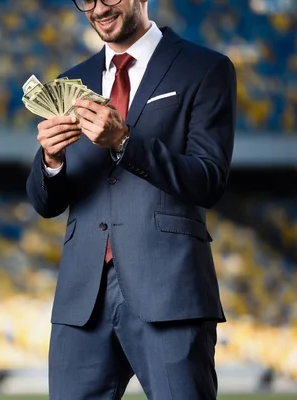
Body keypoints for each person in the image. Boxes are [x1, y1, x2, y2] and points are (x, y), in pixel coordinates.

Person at [25, 0, 236, 399]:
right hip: (81, 296)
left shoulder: (205, 68)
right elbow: (44, 203)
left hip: (169, 289)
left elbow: (209, 180)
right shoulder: (73, 78)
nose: (98, 7)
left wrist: (124, 141)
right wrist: (50, 161)